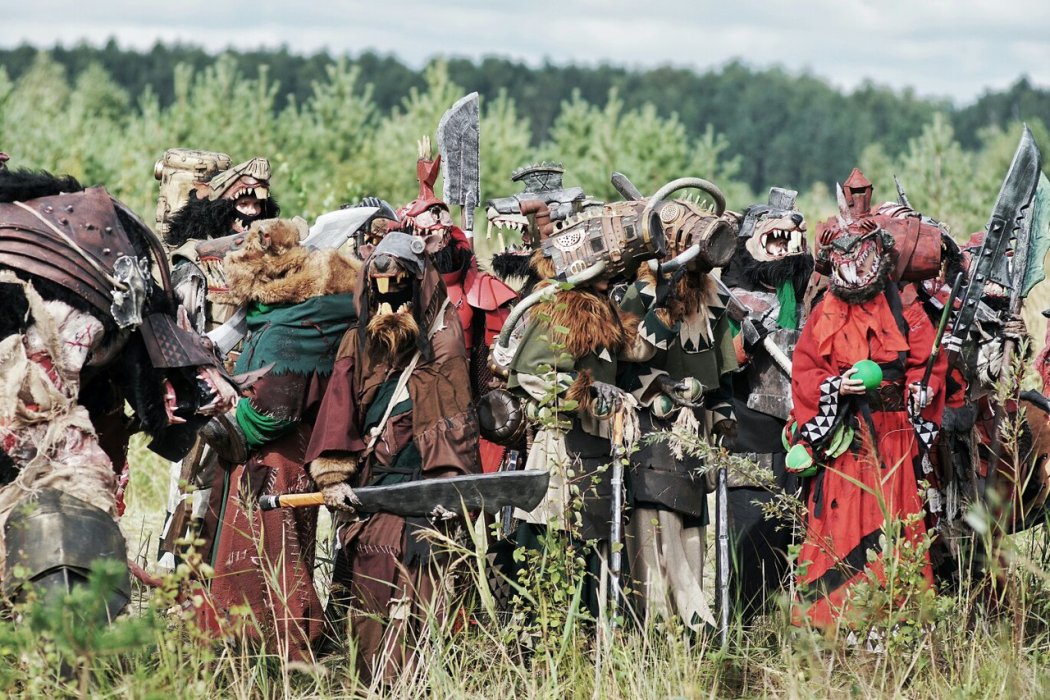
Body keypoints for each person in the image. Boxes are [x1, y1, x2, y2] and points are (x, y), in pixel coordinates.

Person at [304, 231, 480, 682]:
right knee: (371, 581)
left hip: (427, 490)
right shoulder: (357, 341)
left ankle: (420, 682)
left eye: (399, 288)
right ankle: (371, 681)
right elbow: (339, 408)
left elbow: (456, 419)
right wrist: (332, 478)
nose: (389, 300)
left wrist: (451, 488)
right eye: (380, 289)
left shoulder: (444, 340)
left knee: (427, 584)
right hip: (374, 488)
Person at [787, 170, 947, 627]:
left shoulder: (905, 310)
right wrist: (836, 388)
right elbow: (805, 372)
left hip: (894, 438)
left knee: (895, 519)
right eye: (845, 260)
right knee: (840, 524)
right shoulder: (824, 313)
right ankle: (836, 624)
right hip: (845, 440)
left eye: (862, 258)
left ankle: (894, 625)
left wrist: (919, 390)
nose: (854, 269)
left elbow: (929, 364)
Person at [197, 217, 359, 659]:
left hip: (275, 462)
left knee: (273, 555)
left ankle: (286, 648)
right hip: (275, 458)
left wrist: (229, 419)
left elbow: (274, 412)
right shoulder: (288, 317)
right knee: (268, 551)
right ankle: (250, 646)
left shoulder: (295, 328)